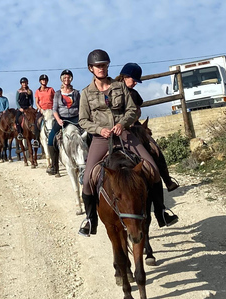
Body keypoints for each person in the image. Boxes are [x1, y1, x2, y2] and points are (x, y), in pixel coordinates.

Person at [77, 49, 176, 237]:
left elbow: (131, 110)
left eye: (104, 65)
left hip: (124, 134)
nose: (102, 68)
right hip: (101, 138)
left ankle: (162, 213)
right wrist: (100, 130)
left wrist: (122, 124)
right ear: (91, 68)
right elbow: (83, 120)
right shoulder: (85, 93)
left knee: (153, 169)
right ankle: (91, 220)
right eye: (98, 66)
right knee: (88, 180)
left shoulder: (119, 87)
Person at [118, 62, 180, 193]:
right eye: (133, 80)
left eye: (136, 81)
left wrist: (135, 116)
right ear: (125, 76)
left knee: (154, 148)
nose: (135, 83)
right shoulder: (113, 91)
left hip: (135, 126)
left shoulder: (133, 93)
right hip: (117, 129)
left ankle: (167, 181)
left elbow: (138, 110)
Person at [48, 69, 81, 176]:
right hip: (62, 119)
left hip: (75, 118)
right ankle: (54, 166)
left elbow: (81, 107)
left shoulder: (76, 93)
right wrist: (58, 119)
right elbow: (54, 109)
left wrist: (81, 118)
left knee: (88, 135)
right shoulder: (57, 94)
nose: (66, 79)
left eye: (68, 77)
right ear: (62, 79)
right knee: (51, 139)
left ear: (71, 79)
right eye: (64, 77)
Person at [14, 77, 34, 141]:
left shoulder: (30, 91)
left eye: (25, 83)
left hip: (28, 108)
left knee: (34, 117)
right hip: (21, 108)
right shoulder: (18, 91)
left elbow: (32, 100)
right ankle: (20, 133)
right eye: (23, 83)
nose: (24, 84)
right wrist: (20, 108)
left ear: (27, 83)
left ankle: (36, 134)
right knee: (17, 119)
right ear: (21, 84)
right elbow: (17, 101)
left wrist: (31, 106)